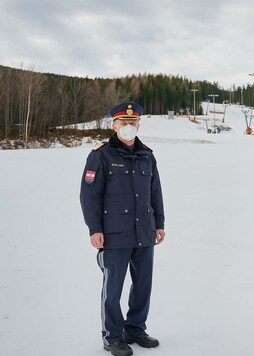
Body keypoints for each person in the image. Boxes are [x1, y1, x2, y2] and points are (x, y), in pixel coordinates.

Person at [80, 102, 165, 356]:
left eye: (133, 123)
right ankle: (113, 336)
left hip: (144, 232)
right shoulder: (101, 154)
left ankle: (135, 329)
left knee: (143, 285)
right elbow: (89, 195)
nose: (128, 127)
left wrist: (159, 223)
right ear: (114, 125)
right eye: (123, 123)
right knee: (113, 288)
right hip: (114, 233)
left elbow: (155, 192)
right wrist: (94, 229)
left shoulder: (147, 154)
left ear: (138, 125)